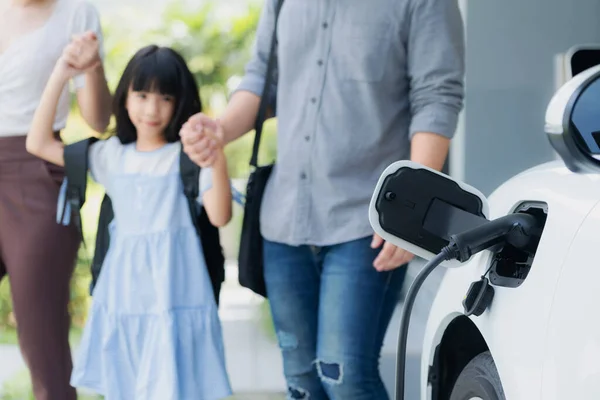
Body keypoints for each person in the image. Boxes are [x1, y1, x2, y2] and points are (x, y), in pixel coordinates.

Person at [181, 0, 465, 398]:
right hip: (284, 220)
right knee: (301, 381)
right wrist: (219, 130)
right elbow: (262, 76)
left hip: (367, 221)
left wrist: (413, 213)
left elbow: (436, 96)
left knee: (346, 377)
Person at [26, 43, 233, 400]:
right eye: (141, 94)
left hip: (176, 292)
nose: (152, 108)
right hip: (123, 294)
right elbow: (38, 142)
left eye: (165, 97)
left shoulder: (186, 159)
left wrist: (215, 156)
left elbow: (220, 215)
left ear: (180, 102)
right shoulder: (110, 156)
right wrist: (62, 72)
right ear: (125, 97)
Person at [0, 0, 111, 398]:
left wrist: (93, 66)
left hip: (34, 174)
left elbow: (98, 120)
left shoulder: (76, 14)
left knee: (43, 342)